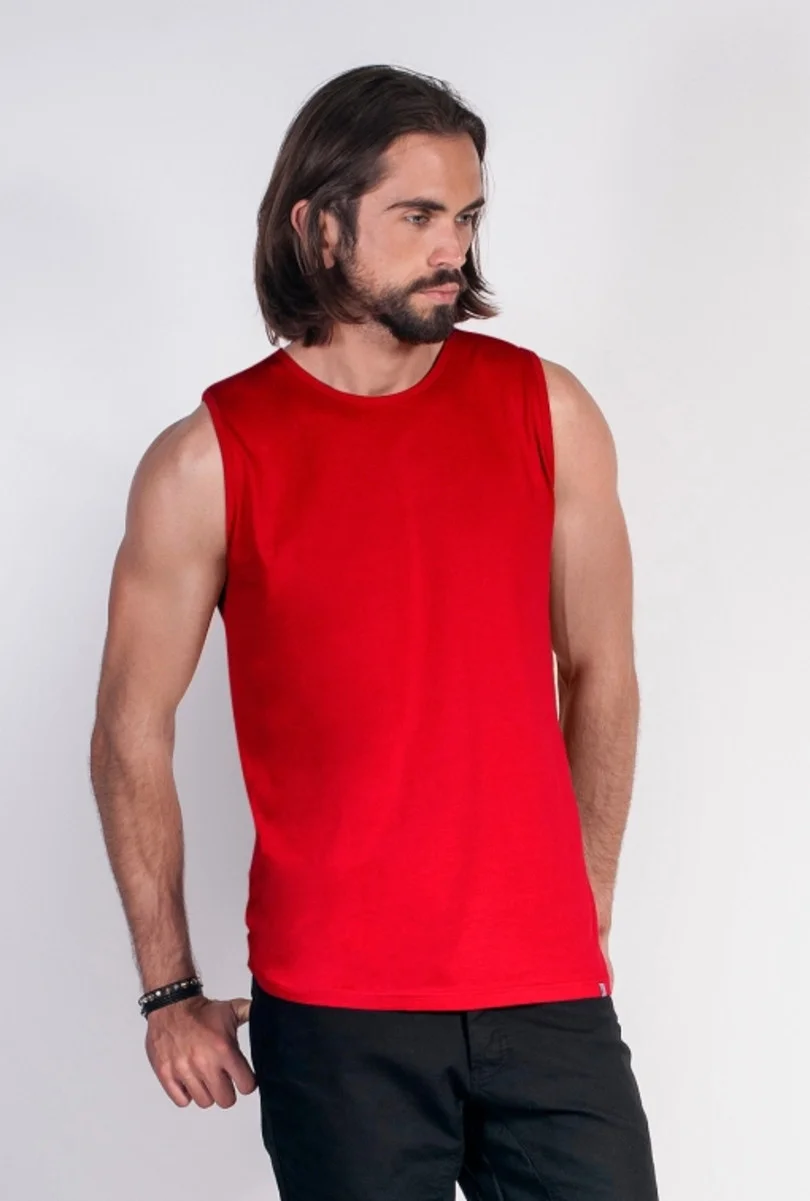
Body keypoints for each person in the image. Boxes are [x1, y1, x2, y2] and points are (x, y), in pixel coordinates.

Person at [90, 63, 659, 1200]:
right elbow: (128, 730)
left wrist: (586, 899)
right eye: (418, 217)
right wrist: (169, 988)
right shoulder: (207, 460)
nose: (454, 248)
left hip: (548, 998)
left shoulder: (548, 409)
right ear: (319, 226)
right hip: (336, 1014)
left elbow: (601, 669)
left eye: (468, 216)